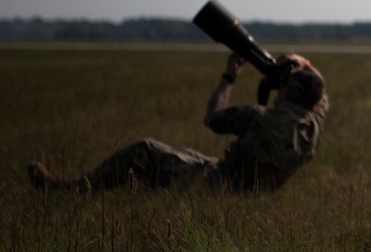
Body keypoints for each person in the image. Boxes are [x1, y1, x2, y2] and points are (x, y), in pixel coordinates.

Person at [27, 52, 327, 193]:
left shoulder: (259, 118)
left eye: (285, 85)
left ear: (287, 92)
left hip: (216, 184)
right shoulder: (311, 126)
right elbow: (317, 92)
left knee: (144, 151)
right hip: (246, 189)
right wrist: (304, 69)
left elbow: (212, 118)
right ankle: (141, 190)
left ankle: (73, 190)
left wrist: (229, 76)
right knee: (187, 154)